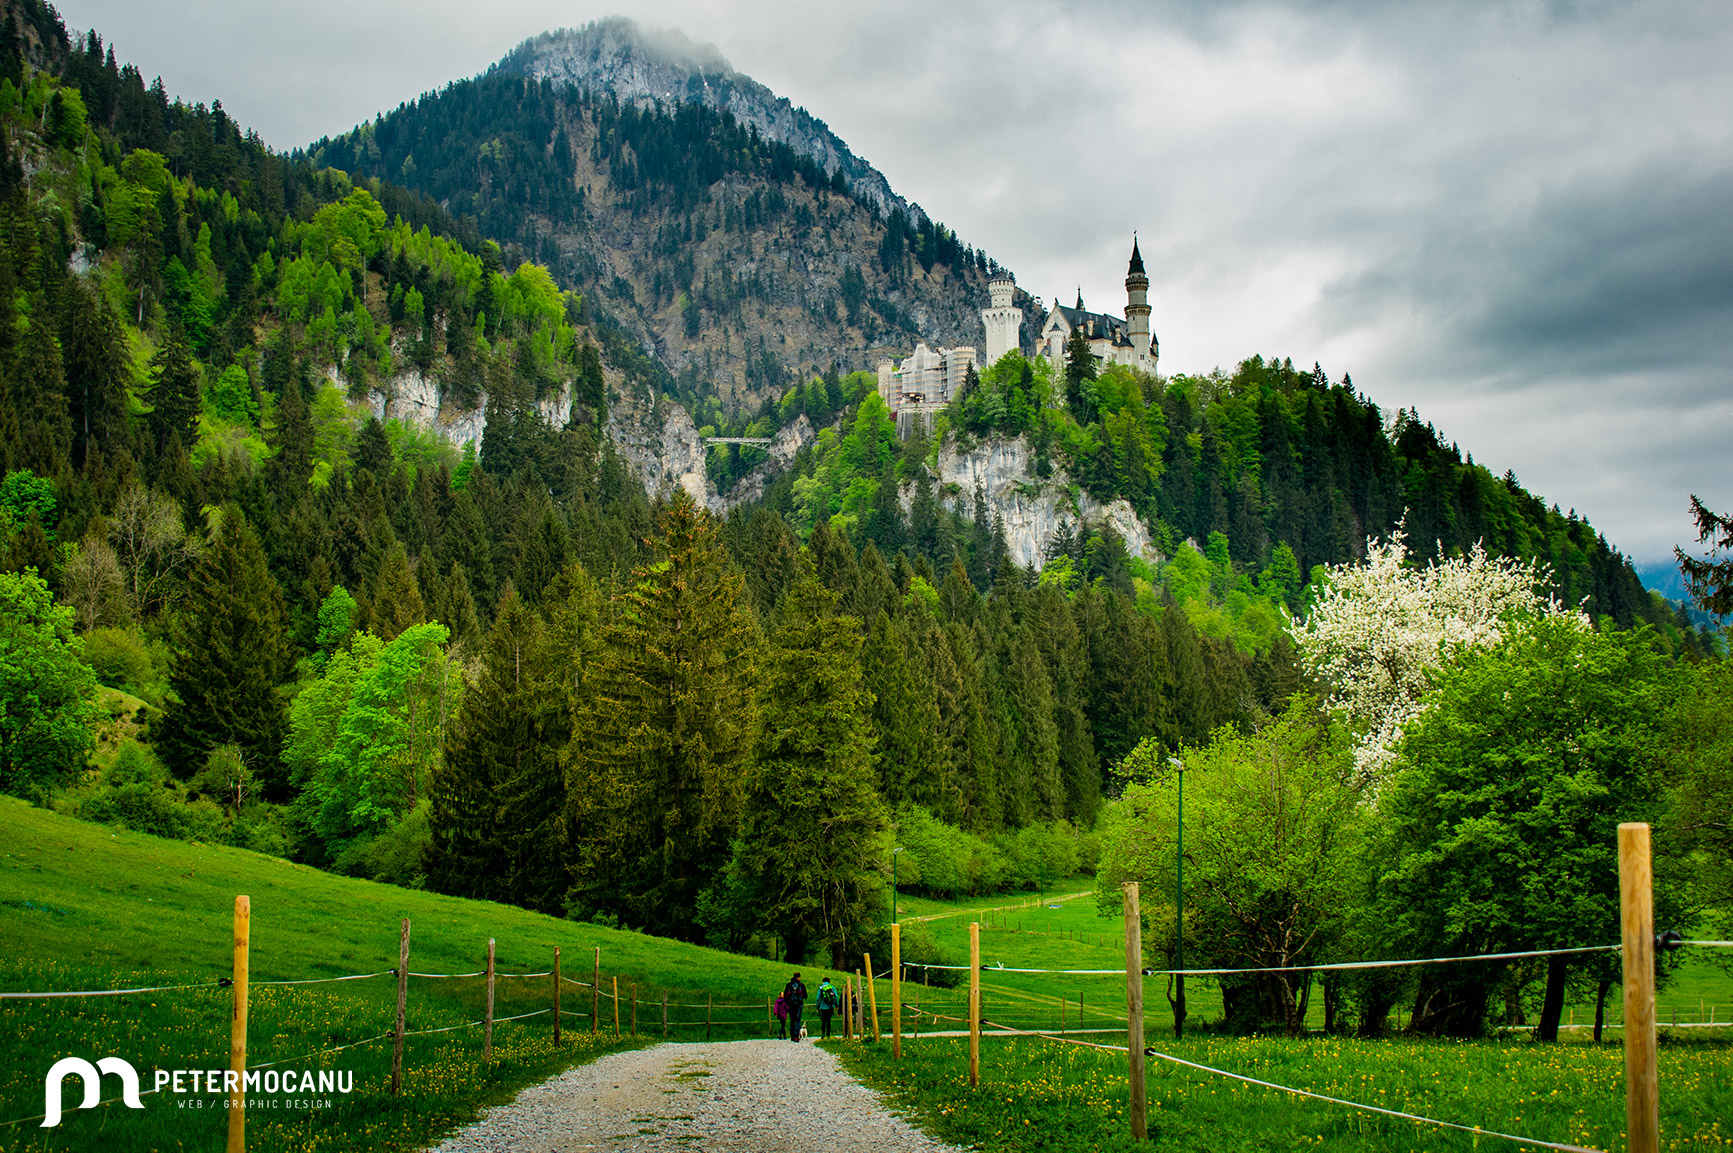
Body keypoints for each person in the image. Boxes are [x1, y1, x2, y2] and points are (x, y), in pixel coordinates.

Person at [782, 972, 808, 1043]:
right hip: (799, 1004)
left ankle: (792, 1035)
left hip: (791, 1005)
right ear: (799, 977)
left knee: (792, 1020)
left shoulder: (789, 985)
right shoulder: (801, 985)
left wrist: (788, 1003)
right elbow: (805, 996)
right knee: (798, 1019)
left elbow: (785, 996)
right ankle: (796, 1036)